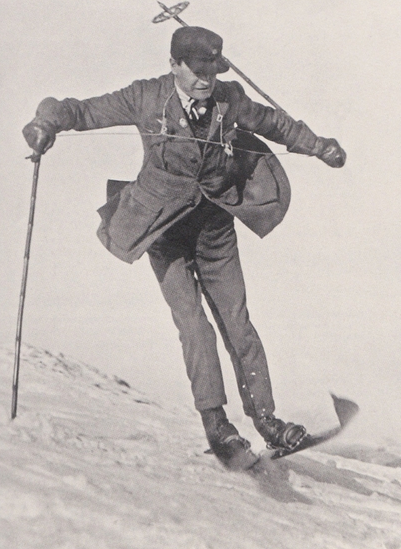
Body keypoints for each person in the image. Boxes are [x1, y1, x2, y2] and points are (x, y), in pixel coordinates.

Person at [23, 26, 346, 470]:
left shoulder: (229, 99)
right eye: (195, 72)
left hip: (214, 227)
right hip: (163, 229)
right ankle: (218, 427)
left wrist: (319, 146)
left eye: (211, 71)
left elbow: (275, 123)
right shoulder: (146, 97)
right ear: (173, 64)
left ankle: (268, 421)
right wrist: (46, 122)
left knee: (238, 323)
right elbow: (80, 110)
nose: (204, 81)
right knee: (195, 327)